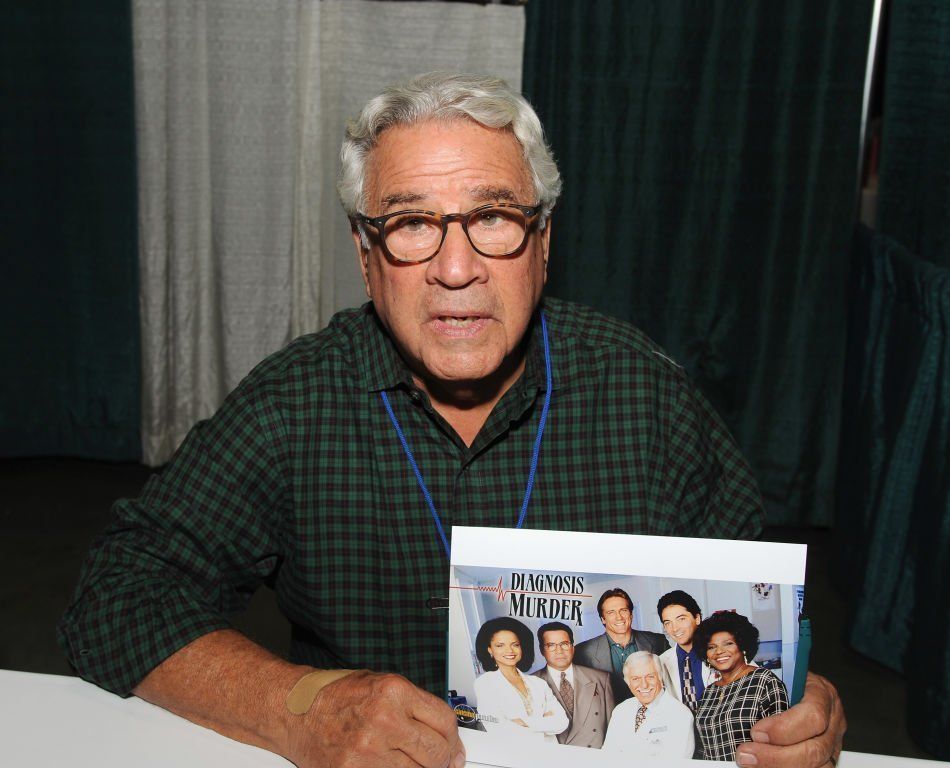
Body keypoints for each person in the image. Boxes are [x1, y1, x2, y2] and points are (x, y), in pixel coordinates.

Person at [57, 72, 845, 768]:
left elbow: (764, 610)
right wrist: (298, 707)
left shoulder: (648, 399)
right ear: (366, 258)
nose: (456, 267)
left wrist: (806, 712)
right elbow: (114, 599)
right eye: (410, 224)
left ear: (543, 243)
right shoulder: (295, 404)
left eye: (494, 217)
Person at [691, 611, 790, 761]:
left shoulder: (764, 681)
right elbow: (702, 748)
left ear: (742, 646)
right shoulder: (709, 692)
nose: (719, 652)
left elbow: (781, 742)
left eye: (728, 643)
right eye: (711, 647)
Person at [471, 617, 568, 742]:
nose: (510, 651)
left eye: (515, 645)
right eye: (500, 645)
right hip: (515, 756)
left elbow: (562, 722)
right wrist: (543, 722)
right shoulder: (485, 683)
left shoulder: (539, 683)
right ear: (490, 649)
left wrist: (523, 722)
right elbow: (498, 730)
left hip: (551, 754)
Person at [575, 588, 669, 703]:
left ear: (631, 614)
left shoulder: (658, 641)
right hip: (610, 719)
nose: (619, 617)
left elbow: (671, 683)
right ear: (603, 619)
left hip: (655, 715)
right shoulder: (583, 652)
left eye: (623, 610)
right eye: (611, 612)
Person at [531, 621, 615, 748]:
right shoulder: (530, 683)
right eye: (551, 645)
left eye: (564, 644)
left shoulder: (601, 678)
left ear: (572, 647)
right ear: (542, 650)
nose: (559, 651)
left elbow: (613, 729)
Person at [602, 651, 694, 757]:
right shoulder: (621, 710)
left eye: (650, 677)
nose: (644, 685)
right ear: (628, 682)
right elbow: (607, 755)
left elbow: (676, 763)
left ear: (660, 677)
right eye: (636, 679)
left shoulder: (680, 715)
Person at [657, 589, 717, 711]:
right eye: (668, 623)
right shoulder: (661, 662)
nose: (675, 628)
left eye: (681, 619)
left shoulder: (720, 653)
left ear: (697, 618)